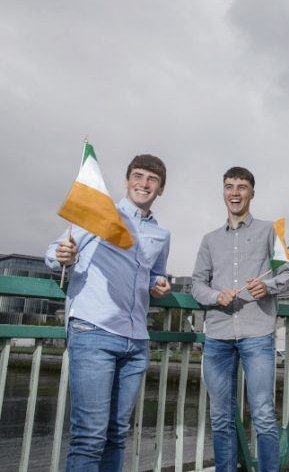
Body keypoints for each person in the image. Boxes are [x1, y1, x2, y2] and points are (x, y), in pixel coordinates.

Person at [45, 154, 172, 471]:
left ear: (161, 188)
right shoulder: (100, 213)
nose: (144, 183)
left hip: (136, 341)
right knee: (89, 438)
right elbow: (56, 252)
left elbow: (156, 272)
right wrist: (65, 255)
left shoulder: (161, 235)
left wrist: (159, 283)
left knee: (116, 435)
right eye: (138, 176)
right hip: (94, 331)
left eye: (152, 179)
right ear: (128, 180)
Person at [192, 166, 289, 472]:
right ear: (223, 192)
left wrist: (268, 286)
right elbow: (197, 284)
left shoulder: (269, 231)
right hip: (218, 336)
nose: (235, 193)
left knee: (263, 413)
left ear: (252, 192)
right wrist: (215, 296)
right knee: (220, 416)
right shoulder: (209, 240)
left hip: (257, 333)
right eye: (229, 186)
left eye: (241, 187)